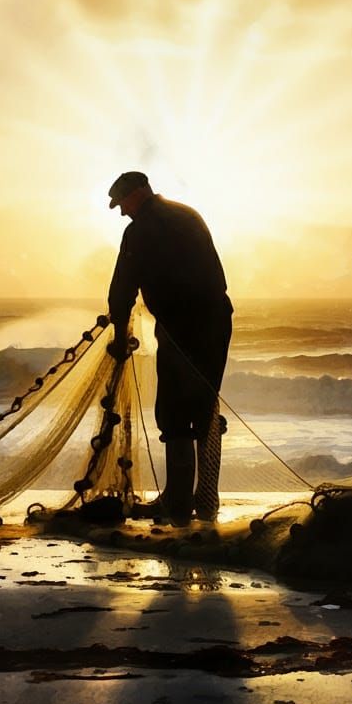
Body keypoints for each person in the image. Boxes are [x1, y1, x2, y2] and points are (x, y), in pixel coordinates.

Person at [106, 171, 233, 525]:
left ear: (136, 194)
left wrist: (119, 334)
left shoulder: (139, 231)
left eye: (122, 204)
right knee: (205, 405)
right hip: (217, 320)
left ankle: (177, 505)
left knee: (173, 411)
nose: (122, 212)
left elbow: (123, 287)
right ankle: (205, 502)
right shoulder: (189, 214)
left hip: (181, 326)